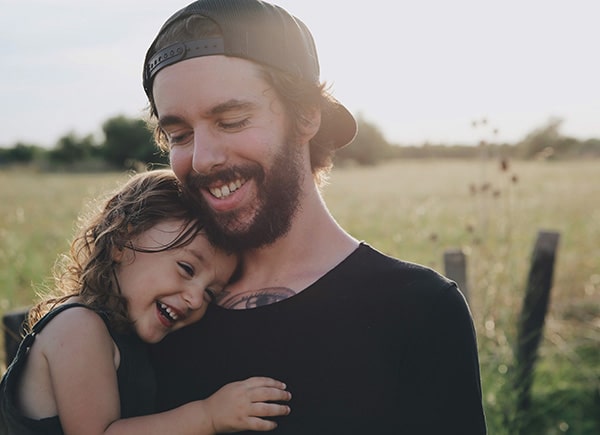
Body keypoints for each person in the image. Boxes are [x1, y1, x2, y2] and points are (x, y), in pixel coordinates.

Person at [143, 1, 487, 433]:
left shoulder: (418, 310)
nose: (203, 158)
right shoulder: (160, 307)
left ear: (306, 116)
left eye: (231, 120)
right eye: (179, 135)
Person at [0, 169, 291, 434]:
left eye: (209, 294)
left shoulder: (123, 336)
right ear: (121, 240)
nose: (194, 299)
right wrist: (208, 416)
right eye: (186, 269)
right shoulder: (78, 327)